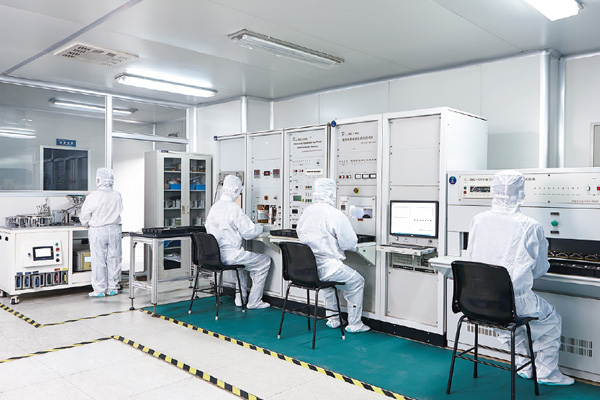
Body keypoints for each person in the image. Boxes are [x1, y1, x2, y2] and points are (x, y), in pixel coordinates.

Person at [466, 170, 574, 386]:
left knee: (504, 323)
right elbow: (540, 269)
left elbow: (471, 258)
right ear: (521, 193)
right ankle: (546, 373)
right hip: (514, 301)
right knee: (551, 320)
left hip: (477, 300)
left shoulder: (478, 220)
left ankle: (524, 365)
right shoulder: (530, 226)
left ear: (493, 190)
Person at [296, 178, 370, 333]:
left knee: (328, 286)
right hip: (327, 267)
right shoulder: (334, 214)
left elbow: (300, 233)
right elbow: (349, 244)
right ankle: (355, 324)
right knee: (357, 282)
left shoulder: (307, 211)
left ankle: (333, 319)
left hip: (308, 269)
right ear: (331, 193)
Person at [205, 175, 271, 309]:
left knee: (241, 266)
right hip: (230, 256)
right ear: (236, 191)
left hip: (215, 256)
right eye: (239, 191)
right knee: (264, 262)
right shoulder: (233, 208)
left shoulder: (214, 207)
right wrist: (260, 226)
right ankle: (254, 302)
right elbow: (249, 232)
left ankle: (240, 298)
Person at [80, 168, 123, 298]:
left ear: (98, 180)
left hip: (98, 230)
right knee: (114, 259)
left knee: (98, 259)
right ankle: (113, 287)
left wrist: (85, 223)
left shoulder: (94, 196)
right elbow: (120, 209)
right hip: (114, 229)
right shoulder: (117, 195)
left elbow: (84, 215)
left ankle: (99, 290)